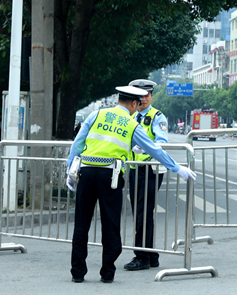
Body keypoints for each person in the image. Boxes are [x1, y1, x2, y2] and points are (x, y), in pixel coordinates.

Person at [66, 86, 196, 283]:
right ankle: (107, 273)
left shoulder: (95, 114)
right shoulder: (131, 124)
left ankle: (77, 273)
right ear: (134, 104)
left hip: (86, 172)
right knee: (111, 225)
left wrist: (70, 169)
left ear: (118, 100)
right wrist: (177, 168)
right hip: (111, 175)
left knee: (82, 224)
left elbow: (77, 143)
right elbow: (154, 150)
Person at [123, 79, 169, 271]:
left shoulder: (157, 117)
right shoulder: (130, 117)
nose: (143, 98)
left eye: (146, 95)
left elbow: (162, 142)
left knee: (143, 213)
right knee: (139, 213)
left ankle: (142, 256)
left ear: (151, 96)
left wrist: (142, 149)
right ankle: (151, 255)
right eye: (139, 95)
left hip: (150, 169)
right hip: (134, 169)